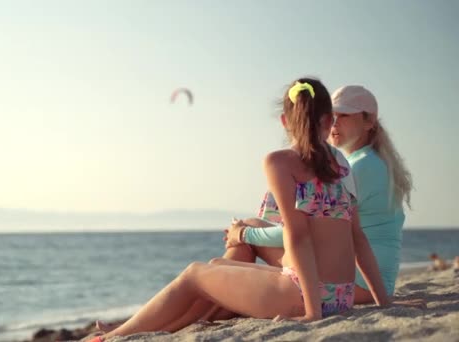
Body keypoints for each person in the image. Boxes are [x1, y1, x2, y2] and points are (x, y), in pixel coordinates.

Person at [91, 78, 389, 341]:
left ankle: (111, 338)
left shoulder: (280, 162)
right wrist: (384, 302)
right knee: (217, 267)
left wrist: (313, 312)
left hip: (303, 294)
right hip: (342, 296)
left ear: (285, 121)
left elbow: (298, 237)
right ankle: (140, 330)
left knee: (195, 273)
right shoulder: (340, 165)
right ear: (327, 121)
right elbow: (357, 239)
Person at [202, 85, 412, 321]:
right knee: (230, 253)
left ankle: (211, 302)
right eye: (331, 116)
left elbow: (304, 232)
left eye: (344, 116)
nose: (334, 123)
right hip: (366, 282)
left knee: (242, 239)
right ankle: (217, 301)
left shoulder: (355, 167)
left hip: (356, 283)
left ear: (369, 122)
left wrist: (242, 234)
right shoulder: (369, 161)